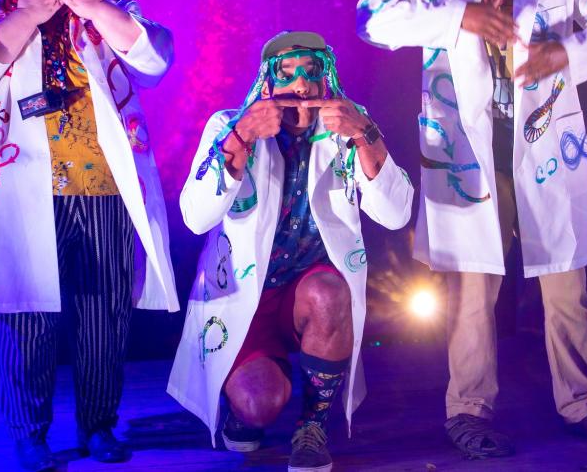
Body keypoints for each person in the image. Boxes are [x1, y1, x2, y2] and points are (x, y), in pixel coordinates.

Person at [356, 0, 587, 457]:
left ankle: (581, 403)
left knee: (566, 284)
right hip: (468, 153)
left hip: (543, 143)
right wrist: (457, 19)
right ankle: (469, 413)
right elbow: (371, 17)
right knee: (471, 290)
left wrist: (564, 54)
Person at [0, 0, 178, 470]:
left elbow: (156, 58)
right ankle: (29, 435)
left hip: (103, 191)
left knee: (104, 317)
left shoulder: (107, 10)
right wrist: (30, 14)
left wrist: (94, 8)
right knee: (26, 320)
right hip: (23, 197)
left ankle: (99, 426)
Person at [168, 31, 414, 472]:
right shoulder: (228, 123)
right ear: (266, 83)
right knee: (257, 406)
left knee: (328, 291)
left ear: (327, 79)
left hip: (309, 291)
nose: (301, 86)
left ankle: (313, 425)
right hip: (248, 295)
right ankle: (244, 405)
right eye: (287, 75)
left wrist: (364, 133)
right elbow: (195, 217)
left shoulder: (351, 127)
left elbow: (396, 214)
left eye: (311, 73)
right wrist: (240, 136)